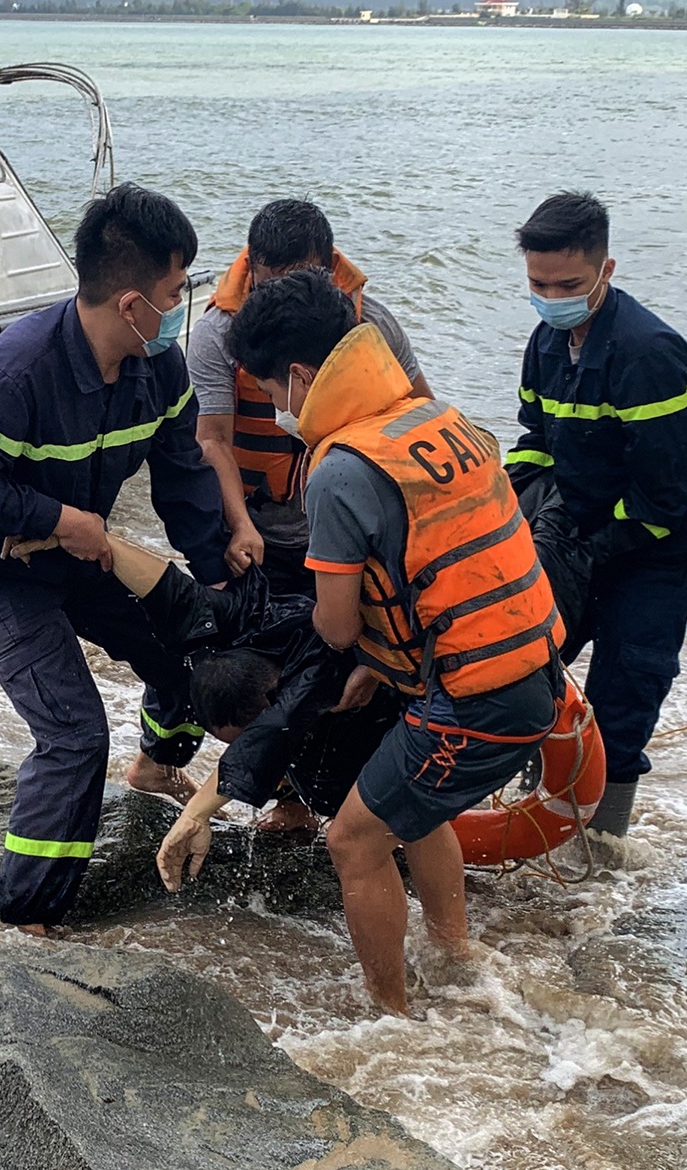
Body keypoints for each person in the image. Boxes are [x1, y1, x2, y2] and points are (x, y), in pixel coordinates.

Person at [228, 271, 564, 1015]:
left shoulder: (339, 471)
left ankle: (394, 1019)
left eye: (273, 394)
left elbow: (338, 624)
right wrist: (382, 670)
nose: (277, 410)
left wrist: (334, 659)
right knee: (411, 802)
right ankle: (456, 952)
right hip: (537, 670)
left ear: (303, 377)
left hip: (480, 699)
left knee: (353, 837)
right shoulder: (431, 416)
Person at [0, 183, 230, 934]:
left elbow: (184, 480)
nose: (182, 306)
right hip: (1, 570)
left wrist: (217, 576)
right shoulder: (17, 372)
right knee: (75, 734)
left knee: (192, 652)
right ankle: (30, 916)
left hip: (85, 556)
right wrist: (53, 518)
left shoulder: (161, 369)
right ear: (130, 303)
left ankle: (155, 765)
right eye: (175, 291)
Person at [504, 192, 687, 837]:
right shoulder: (546, 342)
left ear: (606, 270)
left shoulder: (647, 353)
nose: (552, 297)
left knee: (627, 682)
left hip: (664, 544)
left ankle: (601, 843)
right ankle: (534, 814)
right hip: (582, 524)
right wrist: (511, 500)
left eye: (568, 284)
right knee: (531, 663)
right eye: (538, 284)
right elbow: (536, 438)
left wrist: (589, 550)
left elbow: (667, 497)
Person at [3, 529, 399, 881]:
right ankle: (298, 804)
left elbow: (265, 739)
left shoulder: (308, 680)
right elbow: (168, 586)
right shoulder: (243, 621)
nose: (232, 745)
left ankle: (449, 937)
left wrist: (196, 812)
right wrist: (84, 537)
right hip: (327, 673)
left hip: (396, 692)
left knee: (367, 813)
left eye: (234, 738)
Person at [188, 199, 431, 599]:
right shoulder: (217, 335)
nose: (286, 299)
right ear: (251, 271)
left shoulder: (372, 326)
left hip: (348, 523)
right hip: (255, 522)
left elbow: (420, 415)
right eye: (271, 286)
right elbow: (212, 440)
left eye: (299, 282)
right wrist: (240, 526)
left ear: (329, 272)